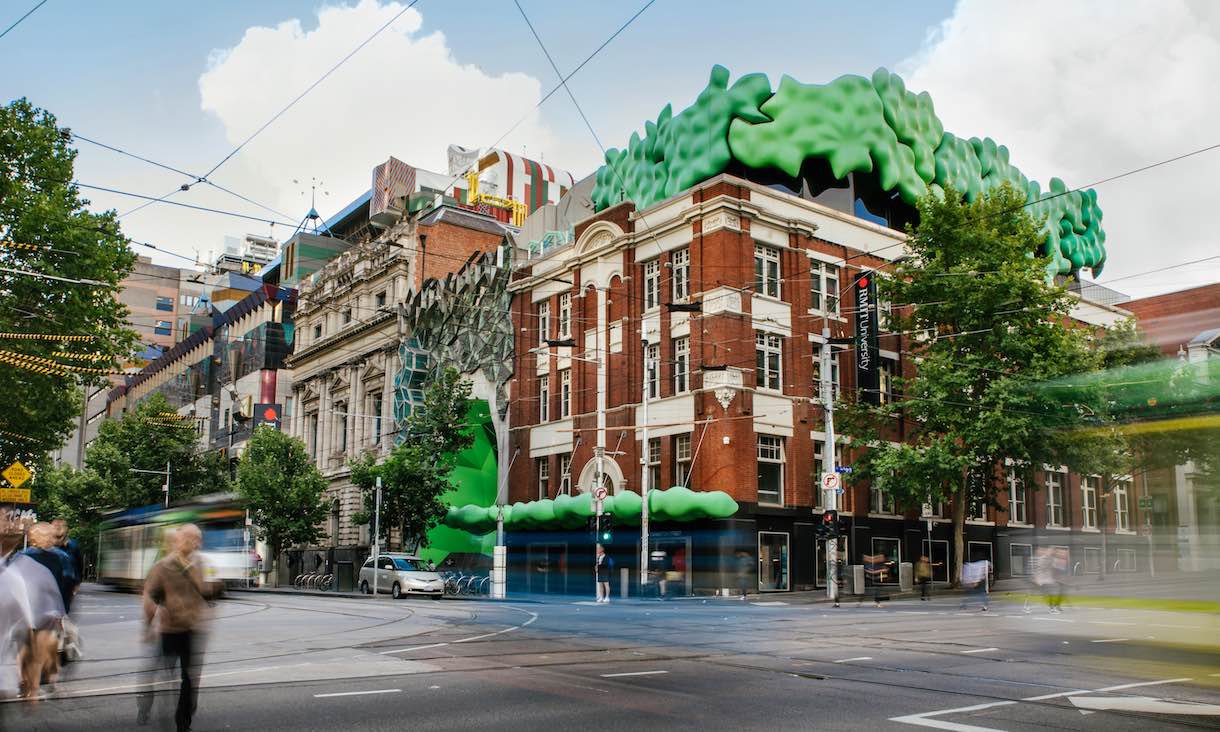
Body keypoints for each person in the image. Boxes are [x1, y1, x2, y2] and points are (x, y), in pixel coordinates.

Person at [138, 524, 213, 732]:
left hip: (192, 629)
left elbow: (209, 590)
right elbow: (150, 596)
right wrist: (148, 625)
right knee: (163, 673)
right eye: (189, 537)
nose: (194, 542)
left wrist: (210, 596)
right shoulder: (163, 566)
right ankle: (145, 705)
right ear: (178, 540)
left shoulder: (201, 563)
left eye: (197, 538)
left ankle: (183, 723)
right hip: (169, 630)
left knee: (189, 679)